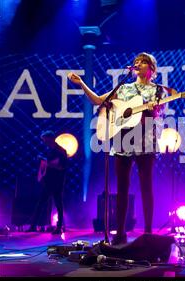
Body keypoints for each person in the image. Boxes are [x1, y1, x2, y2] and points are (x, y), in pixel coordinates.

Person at [68, 52, 170, 245]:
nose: (138, 64)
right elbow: (98, 101)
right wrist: (81, 83)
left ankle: (148, 232)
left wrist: (146, 110)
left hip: (145, 142)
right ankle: (120, 232)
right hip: (122, 140)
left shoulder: (158, 90)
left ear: (151, 69)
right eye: (136, 62)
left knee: (145, 187)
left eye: (142, 62)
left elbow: (156, 113)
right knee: (122, 188)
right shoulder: (123, 88)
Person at [28, 130, 68, 235]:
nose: (44, 142)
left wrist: (47, 162)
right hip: (49, 181)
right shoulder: (51, 150)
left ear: (51, 139)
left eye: (45, 140)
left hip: (57, 181)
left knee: (58, 204)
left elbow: (61, 166)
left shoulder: (60, 151)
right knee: (41, 203)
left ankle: (59, 227)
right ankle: (33, 226)